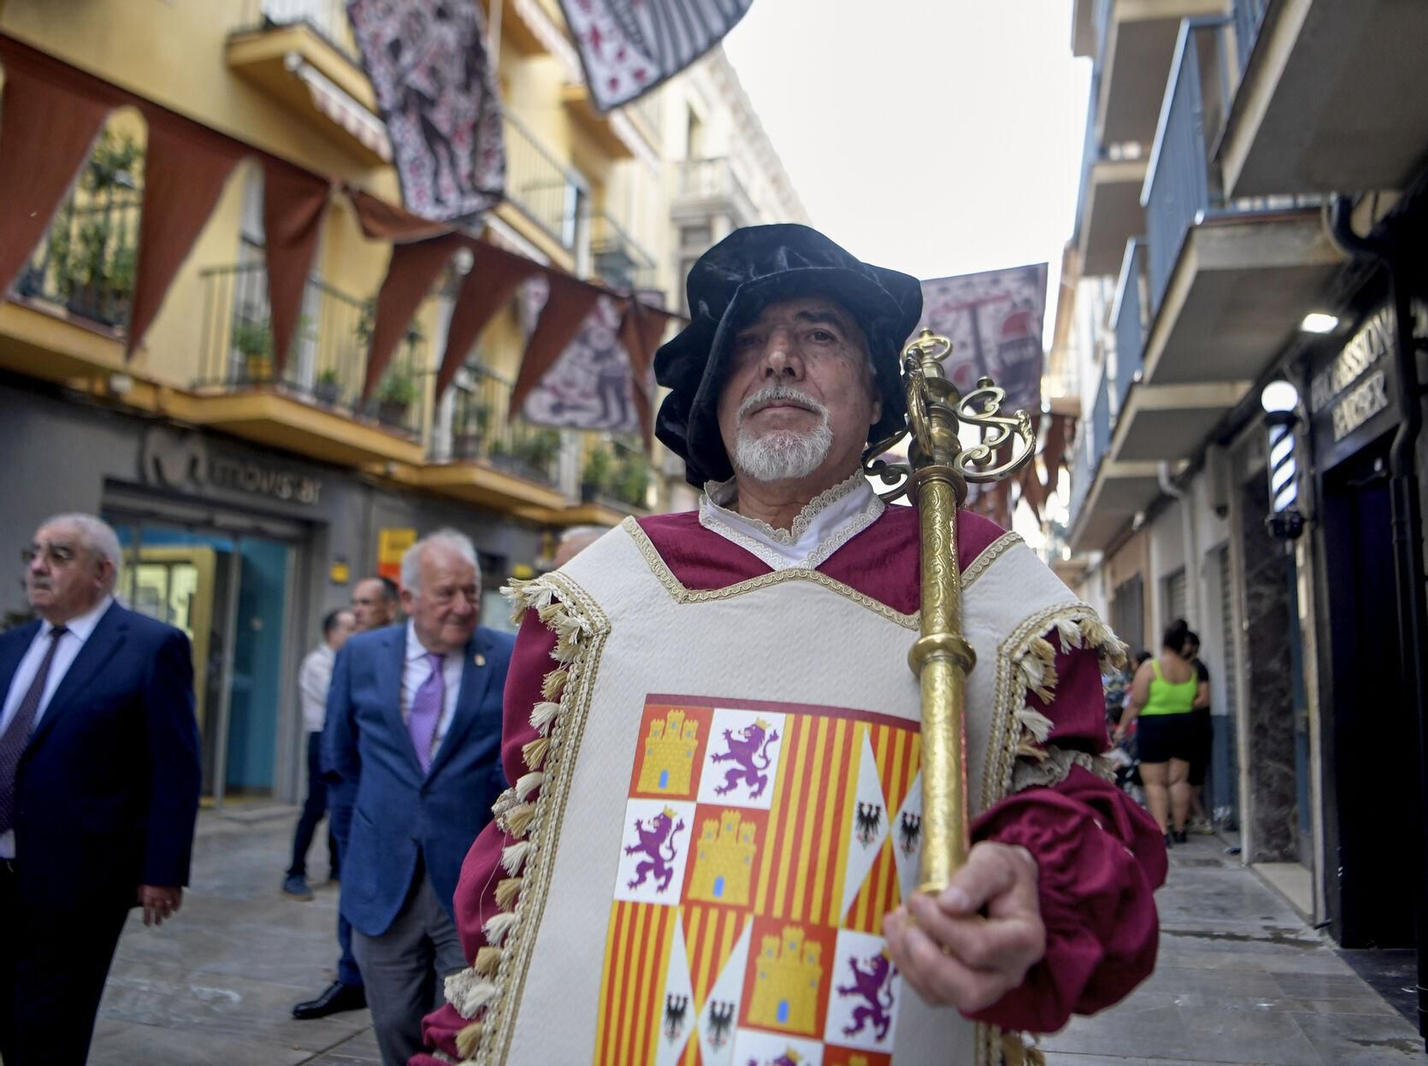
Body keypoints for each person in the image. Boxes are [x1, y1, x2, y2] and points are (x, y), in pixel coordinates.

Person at [414, 225, 1165, 1065]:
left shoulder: (985, 590)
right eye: (746, 343)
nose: (778, 359)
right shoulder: (596, 599)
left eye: (818, 334)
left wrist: (1038, 882)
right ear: (713, 393)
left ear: (878, 395)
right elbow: (518, 877)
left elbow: (1088, 825)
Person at [0, 513, 201, 1065]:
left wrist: (162, 869)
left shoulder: (148, 646)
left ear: (102, 572)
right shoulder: (12, 644)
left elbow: (175, 768)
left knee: (49, 1027)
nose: (38, 567)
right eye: (35, 554)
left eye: (59, 555)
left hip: (79, 878)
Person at [324, 531, 514, 1066]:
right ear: (408, 599)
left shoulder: (503, 657)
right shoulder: (362, 656)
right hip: (382, 881)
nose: (463, 607)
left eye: (472, 593)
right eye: (446, 593)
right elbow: (340, 763)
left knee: (462, 1031)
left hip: (469, 887)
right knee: (393, 1023)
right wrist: (358, 844)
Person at [295, 576, 401, 1021]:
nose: (356, 610)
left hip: (391, 792)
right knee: (354, 883)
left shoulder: (402, 652)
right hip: (350, 789)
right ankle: (350, 976)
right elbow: (336, 724)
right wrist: (342, 784)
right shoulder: (350, 653)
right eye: (354, 602)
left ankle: (389, 976)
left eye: (366, 602)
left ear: (391, 607)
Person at [283, 608, 357, 900]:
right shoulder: (317, 663)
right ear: (332, 632)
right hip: (321, 739)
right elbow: (338, 700)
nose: (354, 634)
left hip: (341, 738)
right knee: (315, 807)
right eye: (348, 628)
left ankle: (336, 868)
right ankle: (294, 872)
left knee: (339, 801)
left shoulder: (345, 662)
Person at [1115, 619, 1198, 846]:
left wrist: (1121, 727)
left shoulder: (1151, 668)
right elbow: (1193, 698)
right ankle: (1180, 831)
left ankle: (1162, 832)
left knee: (1155, 783)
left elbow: (1137, 701)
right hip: (1185, 725)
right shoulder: (1190, 669)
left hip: (1154, 726)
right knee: (1179, 780)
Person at [1182, 630, 1214, 834]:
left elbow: (1204, 698)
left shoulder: (1198, 668)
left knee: (1193, 776)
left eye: (1185, 643)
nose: (1182, 647)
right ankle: (1191, 816)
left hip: (1198, 729)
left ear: (1193, 646)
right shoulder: (1183, 668)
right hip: (1185, 728)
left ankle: (1200, 816)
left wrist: (1180, 705)